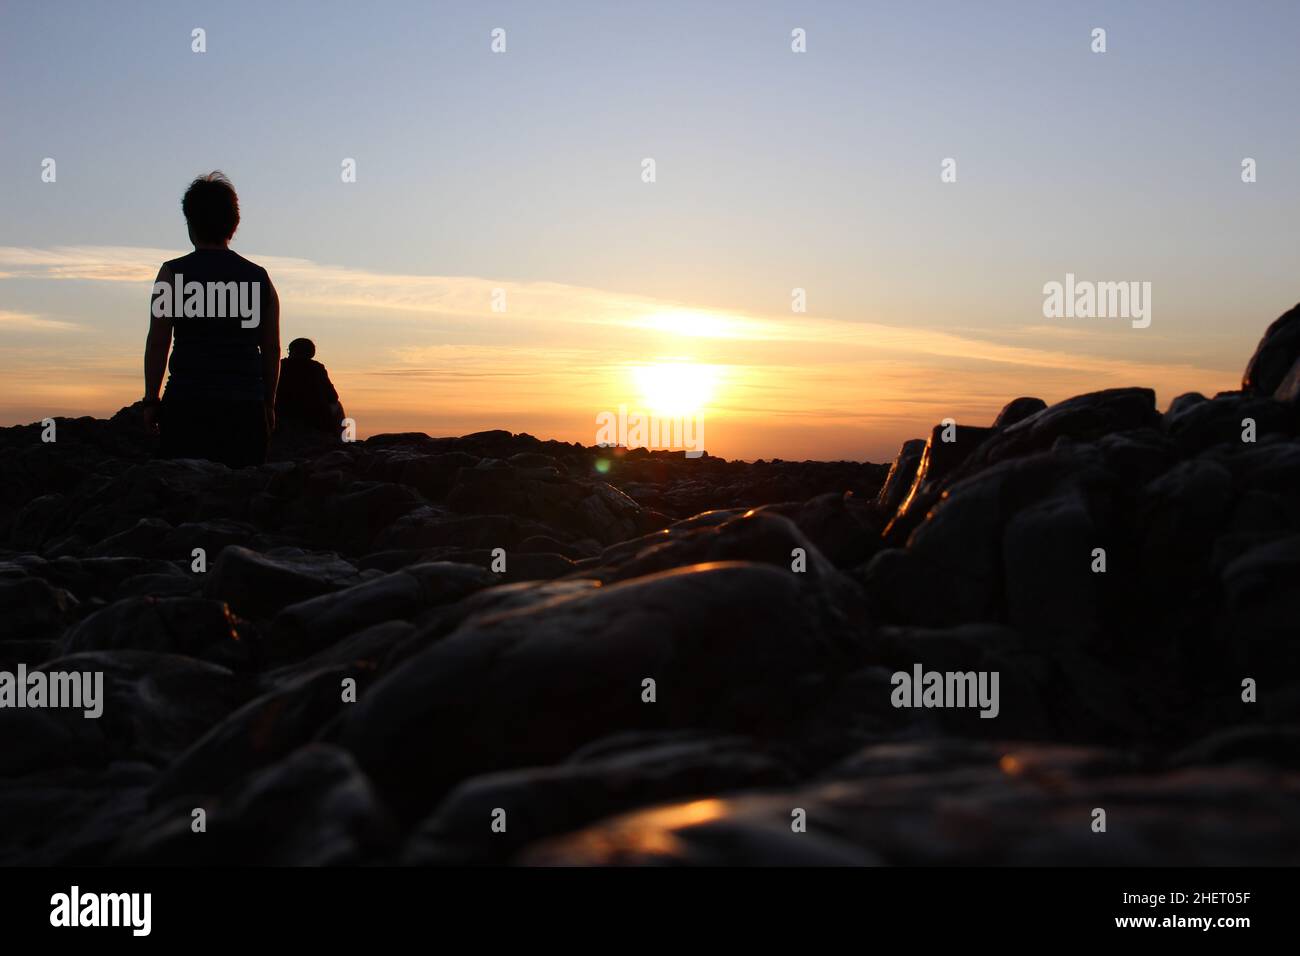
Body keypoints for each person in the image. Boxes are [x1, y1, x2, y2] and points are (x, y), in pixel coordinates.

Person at [142, 172, 280, 467]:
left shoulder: (172, 273)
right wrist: (268, 403)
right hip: (245, 408)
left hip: (187, 403)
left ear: (190, 223)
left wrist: (151, 399)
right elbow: (271, 350)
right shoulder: (260, 278)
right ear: (234, 224)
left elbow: (158, 342)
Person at [276, 338, 345, 433]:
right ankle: (339, 439)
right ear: (312, 353)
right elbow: (333, 397)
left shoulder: (279, 365)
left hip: (283, 412)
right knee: (337, 405)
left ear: (292, 350)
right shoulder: (317, 368)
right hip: (314, 416)